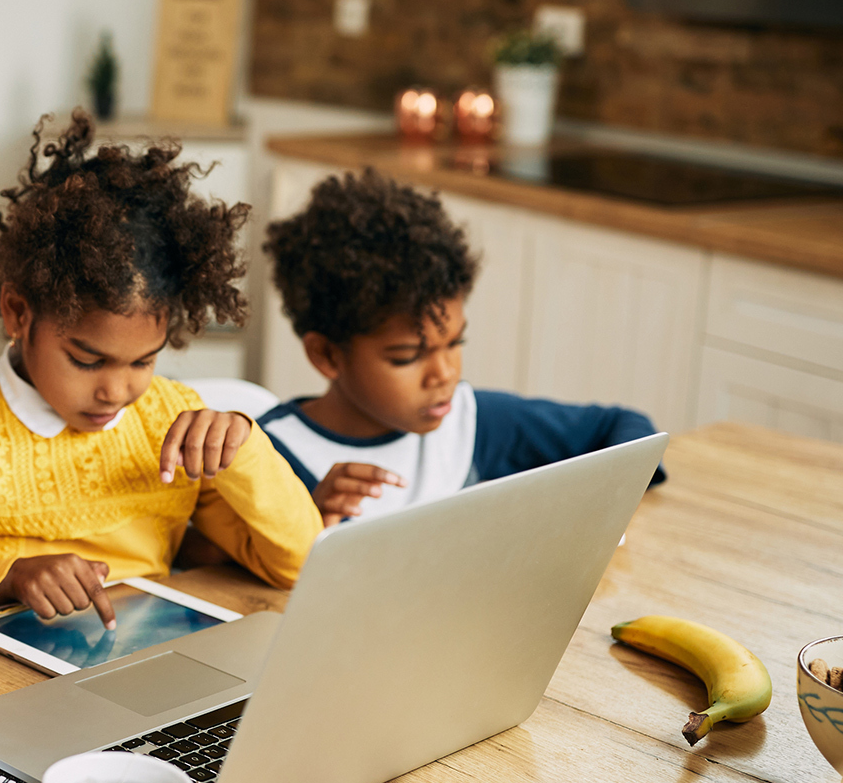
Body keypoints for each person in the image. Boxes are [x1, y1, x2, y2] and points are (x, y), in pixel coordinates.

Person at [0, 112, 321, 647]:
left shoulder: (170, 422)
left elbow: (300, 568)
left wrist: (245, 450)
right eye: (87, 360)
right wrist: (7, 579)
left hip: (143, 672)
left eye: (144, 361)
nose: (117, 391)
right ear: (16, 312)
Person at [259, 169, 664, 525]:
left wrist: (590, 508)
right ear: (327, 356)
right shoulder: (266, 457)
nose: (445, 373)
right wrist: (304, 517)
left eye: (455, 343)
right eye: (407, 357)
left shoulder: (469, 424)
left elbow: (627, 429)